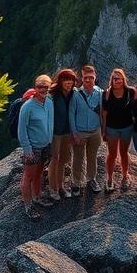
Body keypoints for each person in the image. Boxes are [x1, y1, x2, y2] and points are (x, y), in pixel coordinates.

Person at [18, 75, 55, 220]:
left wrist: (50, 140)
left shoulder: (49, 102)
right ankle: (28, 206)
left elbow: (50, 121)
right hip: (33, 147)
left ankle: (37, 196)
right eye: (40, 86)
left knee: (39, 172)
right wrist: (28, 150)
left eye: (46, 87)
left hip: (46, 144)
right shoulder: (27, 107)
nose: (43, 89)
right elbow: (22, 131)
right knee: (28, 177)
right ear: (35, 88)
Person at [69, 64, 103, 195]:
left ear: (95, 78)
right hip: (80, 131)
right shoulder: (76, 94)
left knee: (92, 157)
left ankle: (91, 179)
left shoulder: (99, 93)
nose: (88, 80)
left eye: (91, 77)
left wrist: (103, 130)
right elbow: (71, 114)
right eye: (85, 77)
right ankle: (76, 182)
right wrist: (74, 133)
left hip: (95, 131)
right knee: (78, 158)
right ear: (82, 78)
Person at [101, 68, 135, 192]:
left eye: (120, 78)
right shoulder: (107, 93)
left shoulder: (131, 92)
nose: (117, 81)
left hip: (127, 127)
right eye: (115, 79)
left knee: (124, 152)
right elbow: (104, 113)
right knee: (112, 154)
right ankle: (109, 178)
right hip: (112, 127)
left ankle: (125, 175)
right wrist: (103, 131)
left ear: (123, 79)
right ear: (112, 80)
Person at [48, 68, 77, 200]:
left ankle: (61, 187)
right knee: (55, 160)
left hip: (67, 132)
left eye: (71, 80)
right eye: (66, 80)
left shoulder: (73, 94)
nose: (68, 82)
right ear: (60, 81)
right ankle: (53, 189)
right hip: (55, 133)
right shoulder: (53, 94)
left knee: (63, 161)